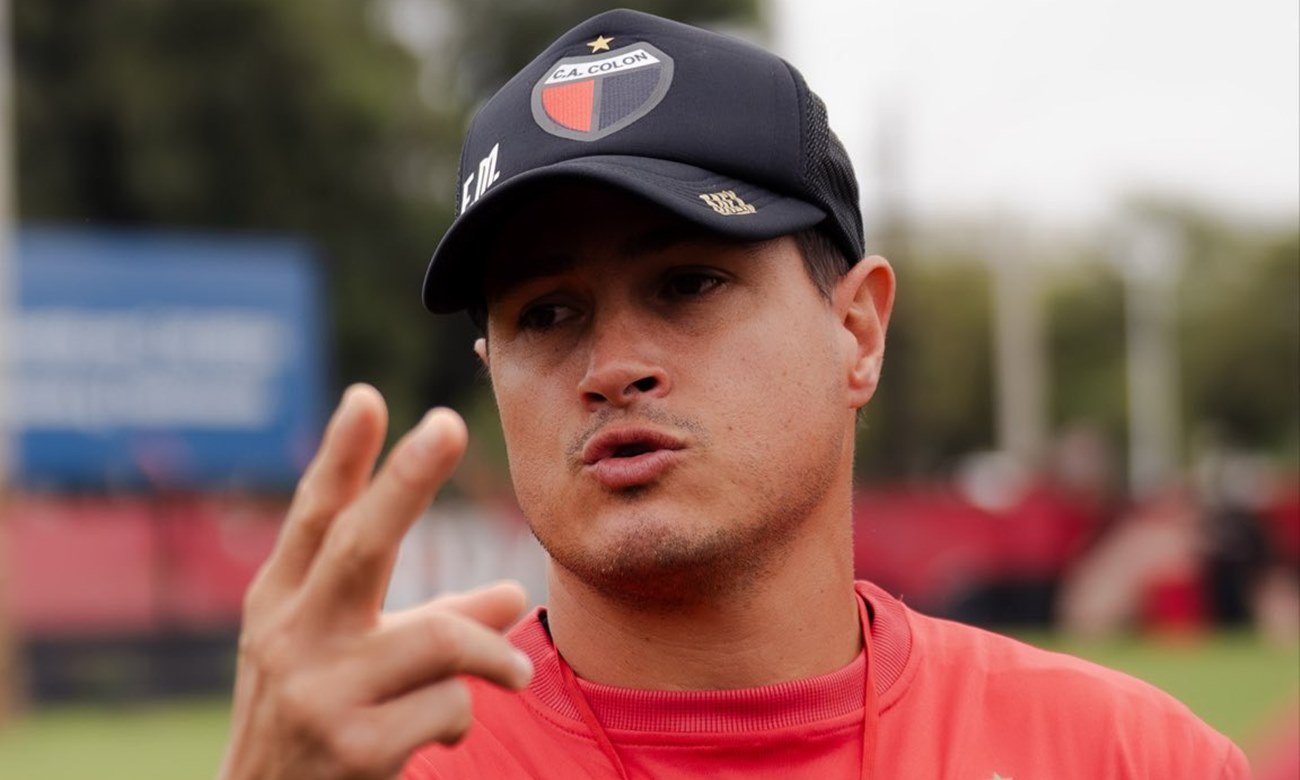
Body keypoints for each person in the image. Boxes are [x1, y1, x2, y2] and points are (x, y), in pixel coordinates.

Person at [218, 9, 1249, 779]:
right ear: (492, 369)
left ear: (856, 332)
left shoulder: (1123, 756)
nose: (613, 363)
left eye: (689, 283)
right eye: (546, 313)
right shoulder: (385, 768)